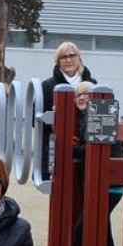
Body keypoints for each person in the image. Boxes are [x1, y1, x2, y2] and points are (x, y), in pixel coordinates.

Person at [68, 81, 123, 246]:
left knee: (82, 230)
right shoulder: (83, 118)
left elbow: (98, 145)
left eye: (86, 94)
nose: (82, 98)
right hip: (99, 185)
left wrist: (74, 149)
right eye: (78, 96)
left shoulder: (101, 114)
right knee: (102, 229)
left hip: (109, 185)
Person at [40, 42, 96, 177]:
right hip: (58, 148)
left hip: (86, 151)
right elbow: (37, 120)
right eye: (64, 57)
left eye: (72, 55)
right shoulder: (47, 86)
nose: (69, 60)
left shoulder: (93, 84)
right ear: (58, 62)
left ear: (79, 58)